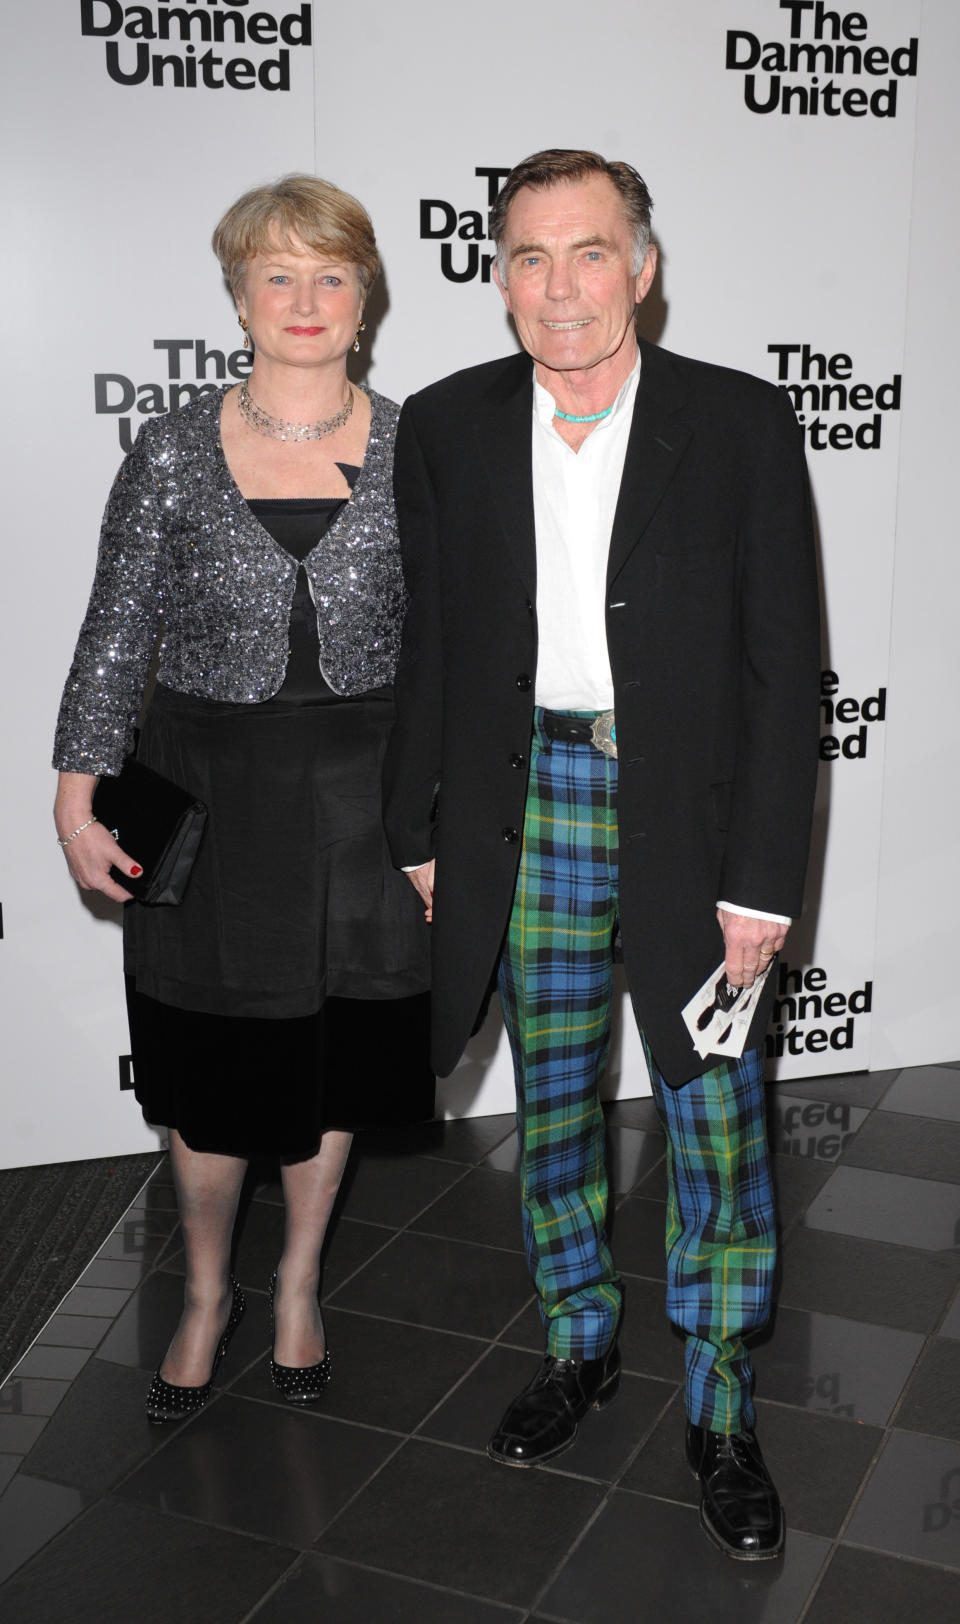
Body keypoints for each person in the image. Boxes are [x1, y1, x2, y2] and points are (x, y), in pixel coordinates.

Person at [383, 149, 819, 1560]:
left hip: (693, 832)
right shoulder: (444, 427)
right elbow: (431, 650)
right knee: (555, 1113)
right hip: (529, 817)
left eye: (588, 253)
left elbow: (783, 669)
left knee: (715, 1130)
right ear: (497, 273)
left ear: (642, 267)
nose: (557, 286)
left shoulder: (741, 424)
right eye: (527, 256)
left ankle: (721, 1403)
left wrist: (760, 886)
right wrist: (422, 835)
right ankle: (578, 1343)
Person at [53, 174, 431, 1423]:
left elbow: (456, 646)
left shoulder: (418, 446)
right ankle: (208, 1289)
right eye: (279, 275)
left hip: (364, 814)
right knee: (207, 1079)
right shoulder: (169, 446)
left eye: (332, 275)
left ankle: (299, 1283)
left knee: (332, 1074)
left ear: (366, 295)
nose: (306, 299)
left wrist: (440, 819)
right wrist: (73, 791)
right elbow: (117, 629)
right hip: (198, 797)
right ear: (237, 296)